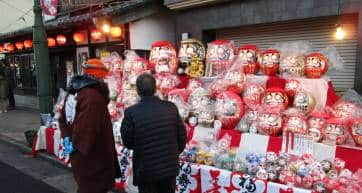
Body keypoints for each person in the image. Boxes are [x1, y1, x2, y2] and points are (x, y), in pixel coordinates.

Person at [59, 59, 120, 193]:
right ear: (99, 77)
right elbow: (86, 130)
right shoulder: (92, 97)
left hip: (82, 156)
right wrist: (78, 147)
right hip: (92, 159)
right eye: (104, 78)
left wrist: (67, 138)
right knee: (92, 188)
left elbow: (62, 118)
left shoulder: (75, 92)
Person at [121, 73, 187, 193]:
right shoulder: (171, 107)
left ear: (137, 90)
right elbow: (182, 136)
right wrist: (172, 154)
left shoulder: (131, 112)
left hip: (146, 170)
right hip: (168, 168)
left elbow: (127, 142)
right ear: (155, 88)